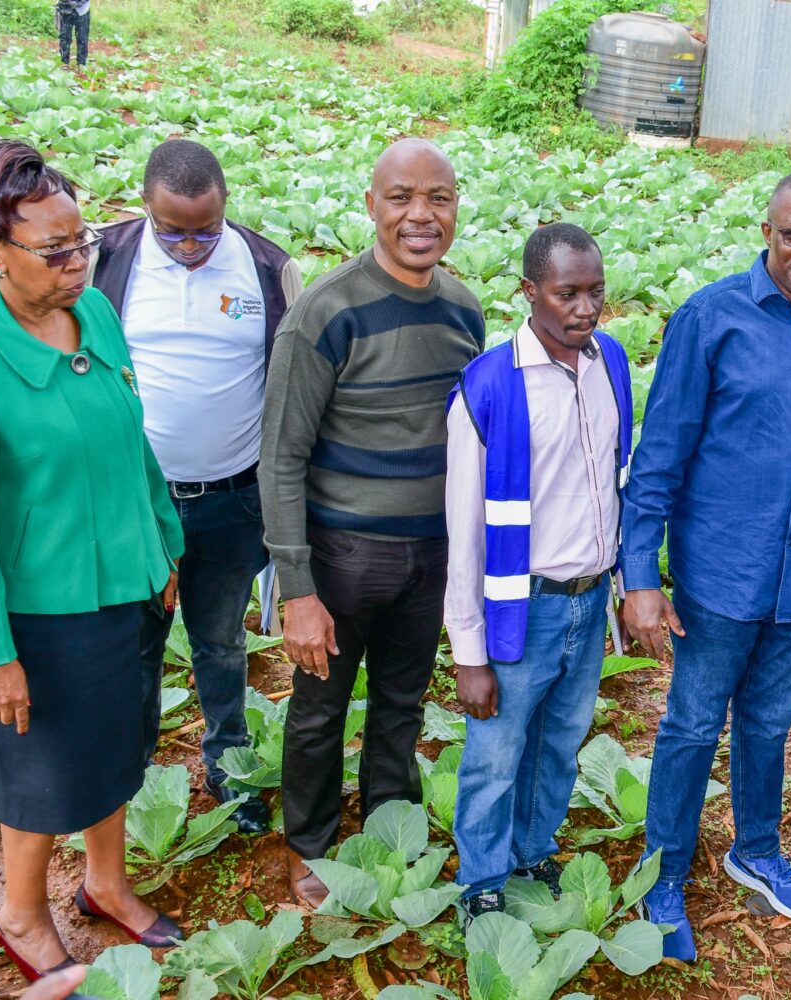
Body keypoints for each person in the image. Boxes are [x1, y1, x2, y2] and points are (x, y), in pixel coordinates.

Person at [620, 170, 791, 962]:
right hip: (719, 575)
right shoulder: (711, 318)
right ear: (768, 233)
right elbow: (660, 456)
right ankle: (663, 871)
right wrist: (640, 575)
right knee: (690, 726)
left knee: (769, 727)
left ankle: (755, 848)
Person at [0, 141, 185, 982]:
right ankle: (20, 913)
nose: (78, 261)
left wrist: (164, 543)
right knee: (38, 778)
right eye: (54, 250)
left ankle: (106, 885)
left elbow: (131, 439)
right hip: (35, 612)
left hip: (127, 585)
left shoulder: (94, 310)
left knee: (118, 745)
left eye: (84, 242)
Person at [260, 138, 485, 906]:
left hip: (431, 554)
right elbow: (281, 459)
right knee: (321, 709)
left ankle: (392, 833)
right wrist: (298, 590)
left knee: (402, 703)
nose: (420, 215)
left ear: (455, 207)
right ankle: (311, 848)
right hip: (342, 556)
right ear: (371, 205)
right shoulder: (324, 311)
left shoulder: (462, 308)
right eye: (401, 198)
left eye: (438, 198)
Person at [91, 139, 302, 836]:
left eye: (204, 230)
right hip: (136, 505)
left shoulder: (267, 269)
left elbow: (290, 379)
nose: (188, 246)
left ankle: (228, 769)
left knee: (218, 642)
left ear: (225, 207)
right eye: (172, 230)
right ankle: (132, 780)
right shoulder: (106, 259)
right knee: (136, 646)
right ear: (146, 207)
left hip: (230, 497)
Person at [446, 223, 632, 923]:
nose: (584, 309)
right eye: (567, 294)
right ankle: (482, 879)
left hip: (587, 605)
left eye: (595, 292)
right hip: (521, 607)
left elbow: (615, 484)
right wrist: (469, 653)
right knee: (497, 751)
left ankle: (531, 849)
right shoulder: (490, 386)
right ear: (529, 293)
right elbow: (463, 533)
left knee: (558, 743)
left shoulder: (609, 364)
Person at [55, 0, 90, 68]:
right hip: (65, 8)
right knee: (65, 37)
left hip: (82, 8)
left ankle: (81, 64)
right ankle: (64, 62)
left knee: (82, 37)